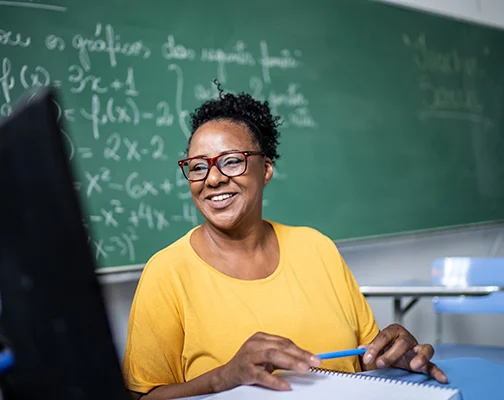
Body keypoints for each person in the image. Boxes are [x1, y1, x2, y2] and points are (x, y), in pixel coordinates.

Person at [122, 88, 448, 399]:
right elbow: (142, 396)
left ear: (265, 169)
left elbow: (363, 359)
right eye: (197, 167)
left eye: (231, 161)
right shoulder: (167, 272)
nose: (213, 178)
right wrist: (223, 378)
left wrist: (393, 359)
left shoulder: (316, 247)